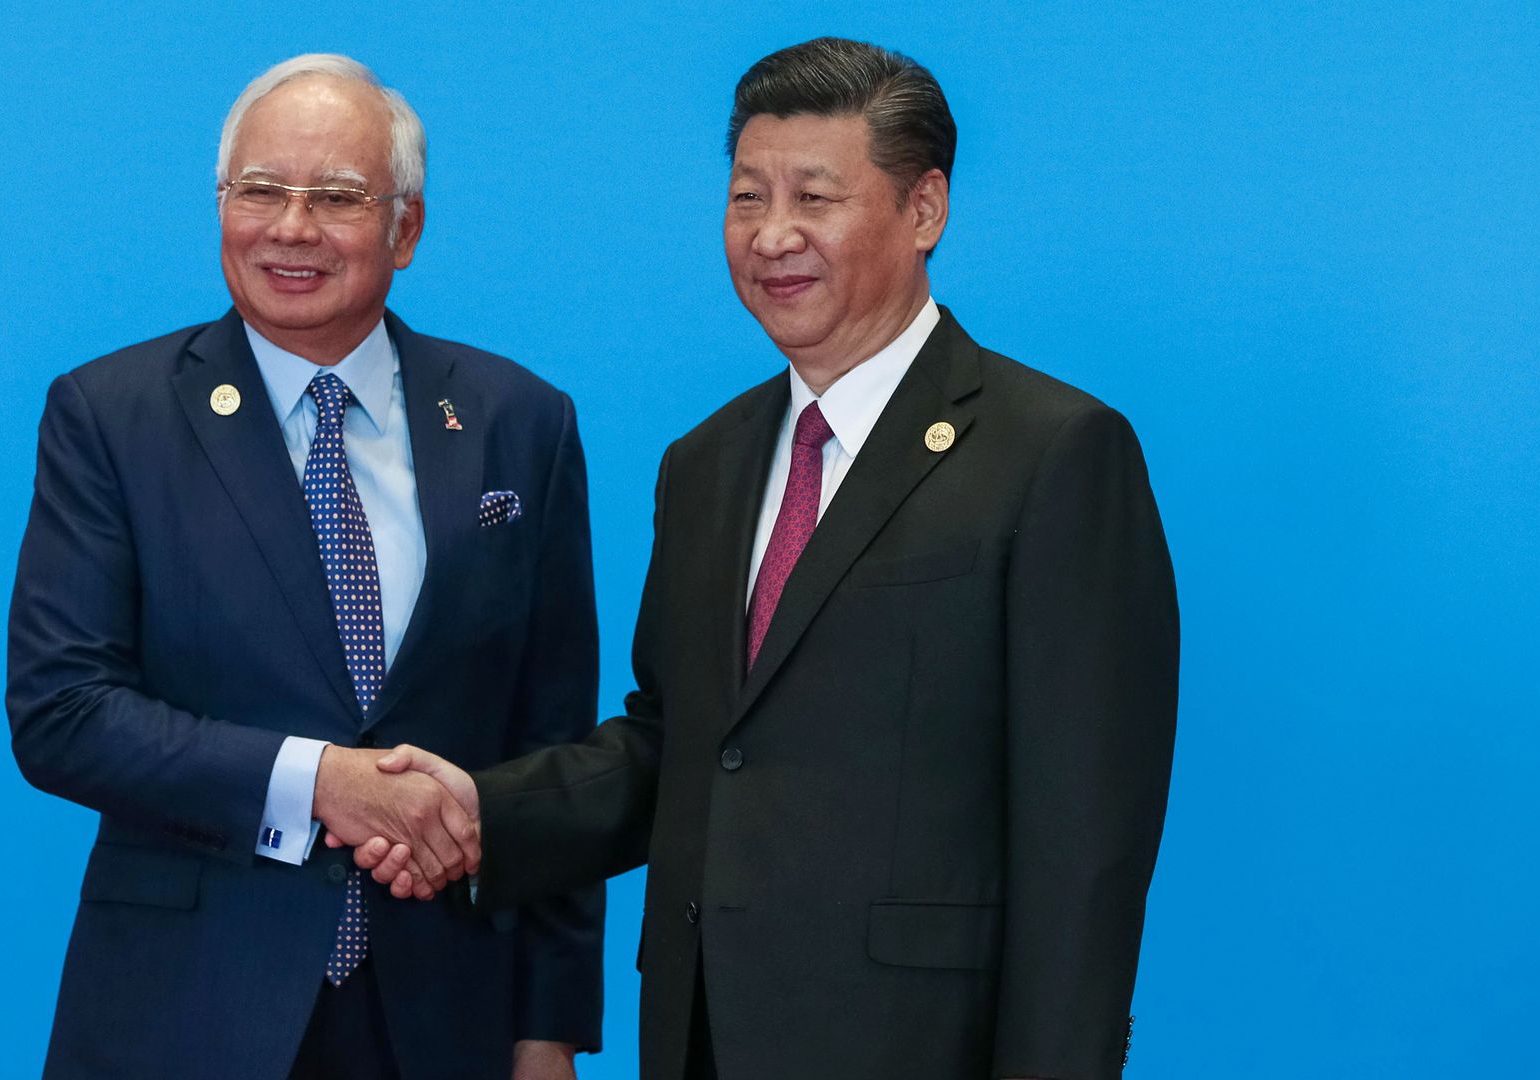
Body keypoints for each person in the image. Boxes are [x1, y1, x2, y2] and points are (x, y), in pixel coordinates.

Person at [355, 37, 1178, 1080]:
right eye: (748, 198)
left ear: (924, 209)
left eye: (814, 197)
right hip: (702, 1038)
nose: (773, 235)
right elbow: (679, 746)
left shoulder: (1052, 454)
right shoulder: (707, 461)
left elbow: (1085, 845)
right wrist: (483, 813)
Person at [6, 53, 603, 1080]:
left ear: (405, 228)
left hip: (444, 1015)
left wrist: (545, 1029)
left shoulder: (519, 422)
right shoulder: (112, 416)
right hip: (187, 1009)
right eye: (259, 191)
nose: (290, 228)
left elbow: (551, 749)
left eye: (335, 197)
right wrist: (319, 783)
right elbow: (64, 711)